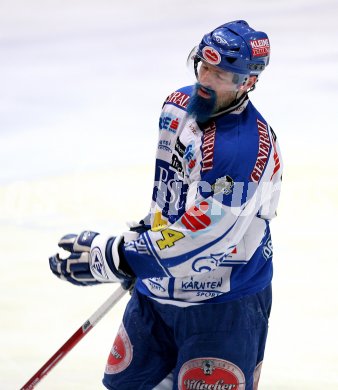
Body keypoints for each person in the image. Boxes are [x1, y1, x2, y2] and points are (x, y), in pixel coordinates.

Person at [49, 20, 283, 390]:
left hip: (222, 307)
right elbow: (171, 197)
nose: (204, 79)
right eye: (202, 66)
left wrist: (120, 256)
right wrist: (143, 244)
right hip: (157, 293)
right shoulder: (176, 108)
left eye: (220, 73)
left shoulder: (243, 149)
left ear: (247, 82)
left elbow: (208, 237)